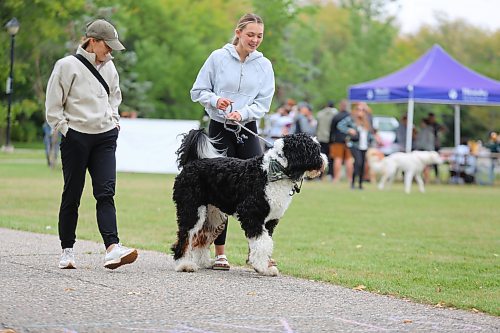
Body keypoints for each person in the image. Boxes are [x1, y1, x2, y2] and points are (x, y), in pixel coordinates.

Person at [45, 19, 138, 270]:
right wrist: (67, 130)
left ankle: (112, 248)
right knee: (72, 194)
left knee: (106, 192)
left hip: (105, 137)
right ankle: (67, 250)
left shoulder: (110, 68)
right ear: (92, 41)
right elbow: (53, 108)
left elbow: (114, 98)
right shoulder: (66, 66)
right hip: (76, 137)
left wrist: (115, 122)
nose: (110, 51)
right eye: (107, 46)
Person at [190, 13, 275, 271]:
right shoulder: (217, 58)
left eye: (259, 35)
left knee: (259, 189)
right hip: (219, 128)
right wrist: (217, 101)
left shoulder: (264, 65)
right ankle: (220, 252)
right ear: (238, 32)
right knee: (219, 189)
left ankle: (257, 253)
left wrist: (244, 113)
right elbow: (198, 91)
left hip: (247, 129)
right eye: (250, 34)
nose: (255, 40)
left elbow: (263, 103)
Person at [337, 102, 374, 189]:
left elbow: (370, 133)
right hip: (354, 144)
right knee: (358, 163)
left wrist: (374, 139)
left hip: (364, 145)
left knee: (362, 165)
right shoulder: (351, 119)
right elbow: (340, 125)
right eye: (358, 109)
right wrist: (349, 130)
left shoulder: (367, 121)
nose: (360, 112)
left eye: (362, 110)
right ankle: (353, 183)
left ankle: (360, 184)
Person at [329, 99, 353, 183]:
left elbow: (331, 130)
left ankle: (336, 178)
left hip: (338, 140)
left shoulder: (336, 116)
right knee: (349, 159)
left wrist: (330, 141)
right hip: (349, 140)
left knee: (338, 159)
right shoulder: (351, 116)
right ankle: (350, 178)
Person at [315, 100, 338, 179]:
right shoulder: (335, 114)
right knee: (331, 157)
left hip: (320, 137)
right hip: (331, 139)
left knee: (321, 157)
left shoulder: (320, 114)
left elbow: (317, 126)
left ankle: (319, 175)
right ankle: (330, 174)